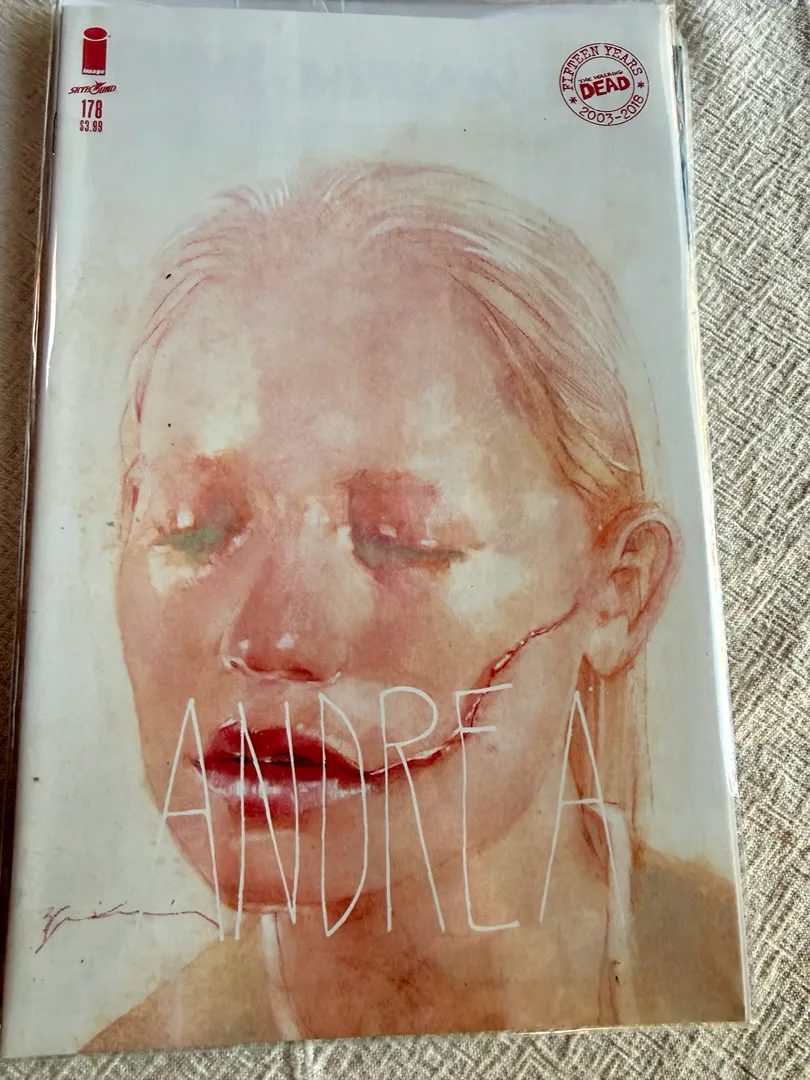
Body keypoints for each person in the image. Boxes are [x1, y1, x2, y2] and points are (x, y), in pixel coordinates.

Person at [92, 164, 743, 1050]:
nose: (272, 637)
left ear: (618, 591)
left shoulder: (739, 966)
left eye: (402, 538)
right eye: (190, 526)